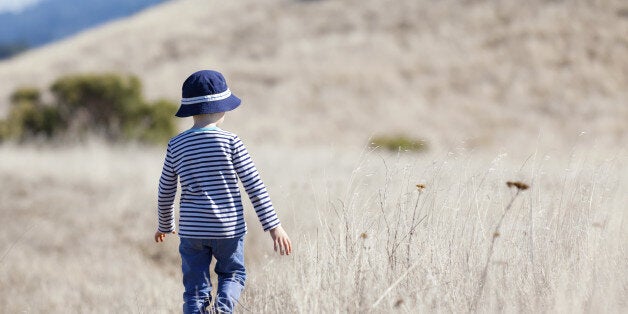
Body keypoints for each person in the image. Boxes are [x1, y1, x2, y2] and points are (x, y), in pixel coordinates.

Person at [154, 70, 292, 314]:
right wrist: (274, 226)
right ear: (222, 109)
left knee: (195, 285)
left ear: (191, 111)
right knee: (232, 274)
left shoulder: (176, 144)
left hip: (192, 230)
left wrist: (165, 224)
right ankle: (224, 310)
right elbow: (254, 186)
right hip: (229, 228)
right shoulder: (232, 142)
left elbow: (165, 190)